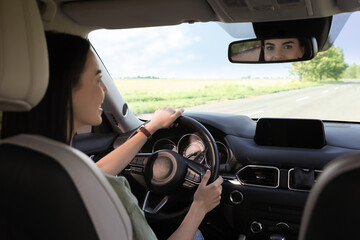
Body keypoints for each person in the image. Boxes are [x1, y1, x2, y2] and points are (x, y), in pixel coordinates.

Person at [1, 32, 223, 240]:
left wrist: (150, 127)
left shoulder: (17, 163)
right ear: (66, 90)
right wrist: (200, 206)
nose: (105, 89)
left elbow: (94, 172)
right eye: (98, 79)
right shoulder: (111, 193)